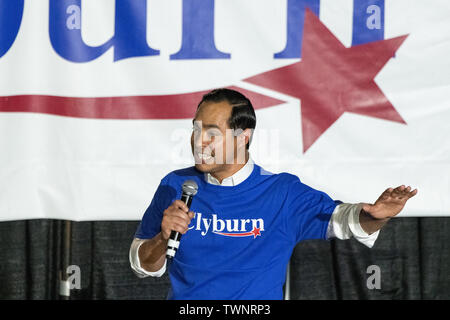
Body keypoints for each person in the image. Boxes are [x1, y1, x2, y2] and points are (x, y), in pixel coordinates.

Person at [129, 88, 417, 300]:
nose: (199, 140)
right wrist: (161, 237)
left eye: (212, 133)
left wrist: (375, 216)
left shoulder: (282, 192)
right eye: (196, 129)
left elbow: (344, 220)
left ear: (244, 137)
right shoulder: (174, 185)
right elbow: (142, 266)